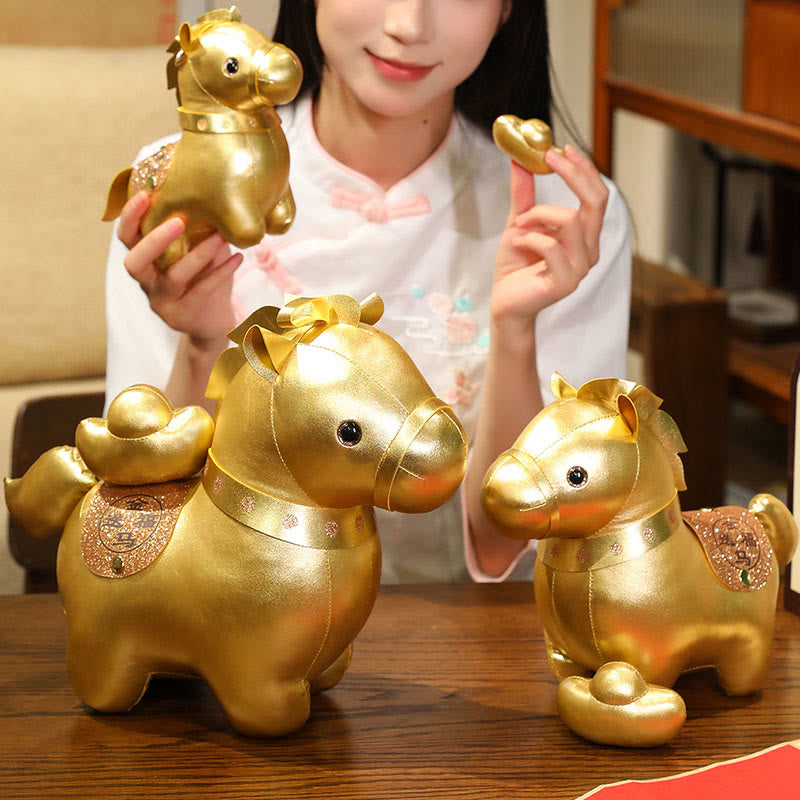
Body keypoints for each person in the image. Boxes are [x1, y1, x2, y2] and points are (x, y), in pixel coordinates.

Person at [104, 0, 631, 584]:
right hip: (229, 615)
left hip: (459, 631)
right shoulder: (184, 188)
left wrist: (515, 332)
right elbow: (142, 522)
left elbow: (518, 546)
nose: (408, 25)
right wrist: (201, 345)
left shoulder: (565, 219)